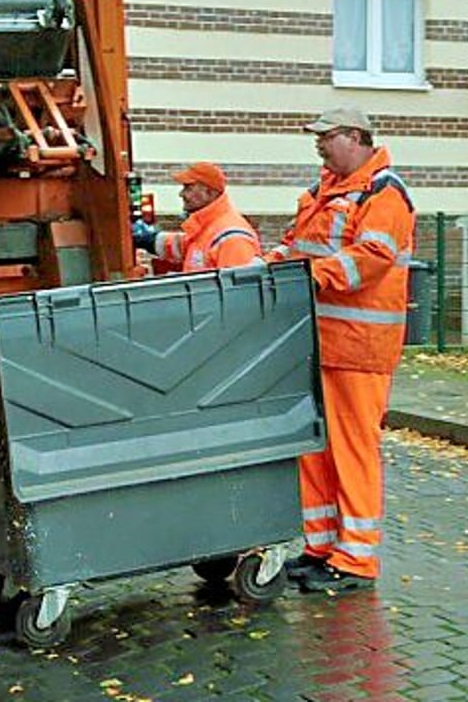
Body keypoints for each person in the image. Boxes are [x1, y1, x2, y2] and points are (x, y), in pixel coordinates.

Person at [264, 107, 415, 593]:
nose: (318, 146)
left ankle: (356, 560)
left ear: (355, 137)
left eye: (326, 138)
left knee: (351, 452)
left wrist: (306, 276)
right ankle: (322, 547)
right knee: (317, 451)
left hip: (359, 349)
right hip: (321, 344)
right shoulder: (323, 191)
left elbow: (369, 261)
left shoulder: (384, 193)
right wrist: (267, 266)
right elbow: (296, 246)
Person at [131, 162, 262, 270]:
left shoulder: (233, 239)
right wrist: (147, 239)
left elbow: (239, 294)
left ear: (209, 193)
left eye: (188, 188)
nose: (181, 194)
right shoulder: (207, 228)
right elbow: (179, 246)